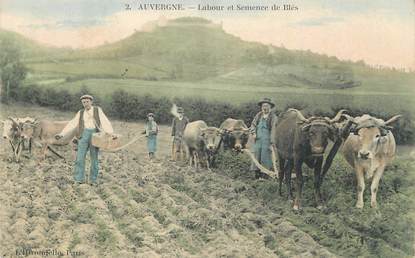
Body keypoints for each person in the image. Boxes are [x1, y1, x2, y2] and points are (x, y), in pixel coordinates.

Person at [55, 94, 116, 186]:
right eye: (83, 102)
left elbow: (105, 121)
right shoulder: (80, 112)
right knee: (79, 158)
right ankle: (78, 179)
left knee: (94, 158)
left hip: (95, 135)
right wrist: (62, 134)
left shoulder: (97, 110)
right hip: (83, 135)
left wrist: (111, 133)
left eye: (87, 102)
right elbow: (72, 123)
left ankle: (93, 180)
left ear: (91, 102)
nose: (85, 104)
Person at [250, 97, 277, 179]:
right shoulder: (258, 116)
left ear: (270, 107)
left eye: (267, 106)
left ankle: (265, 175)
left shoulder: (273, 117)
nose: (265, 108)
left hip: (267, 140)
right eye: (263, 106)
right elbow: (253, 125)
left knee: (265, 157)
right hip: (258, 140)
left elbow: (273, 130)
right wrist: (254, 133)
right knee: (256, 155)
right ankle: (256, 174)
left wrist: (272, 142)